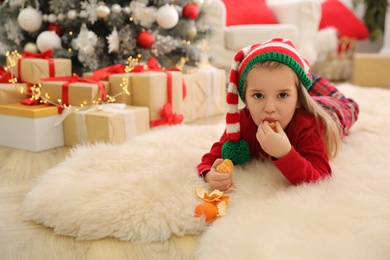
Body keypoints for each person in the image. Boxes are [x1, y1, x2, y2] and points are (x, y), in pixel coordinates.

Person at [197, 38, 359, 192]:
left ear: (299, 99)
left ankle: (309, 82)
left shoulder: (312, 124)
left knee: (349, 105)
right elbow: (209, 160)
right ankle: (297, 83)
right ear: (245, 98)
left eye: (282, 95)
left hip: (329, 109)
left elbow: (321, 175)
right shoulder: (241, 122)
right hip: (298, 96)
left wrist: (285, 153)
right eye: (258, 96)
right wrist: (210, 174)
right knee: (288, 84)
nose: (269, 108)